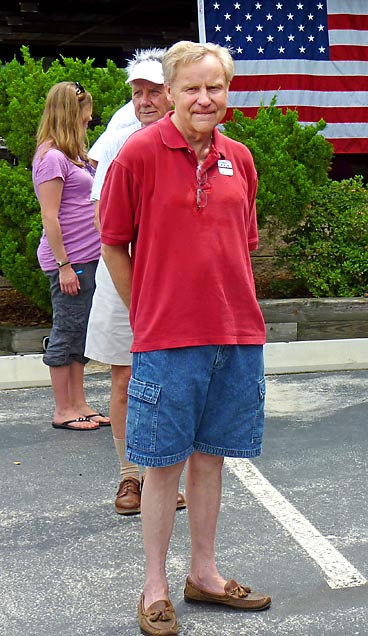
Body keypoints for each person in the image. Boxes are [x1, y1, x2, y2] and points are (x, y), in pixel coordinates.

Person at [100, 41, 271, 636]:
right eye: (192, 88)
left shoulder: (240, 158)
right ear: (169, 92)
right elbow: (113, 244)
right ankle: (153, 586)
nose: (204, 99)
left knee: (210, 460)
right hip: (167, 339)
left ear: (227, 94)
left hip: (236, 333)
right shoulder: (138, 155)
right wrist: (145, 311)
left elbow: (240, 246)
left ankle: (204, 574)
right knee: (161, 467)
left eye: (215, 88)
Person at [84, 48, 186, 517]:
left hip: (177, 280)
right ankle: (129, 478)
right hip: (122, 274)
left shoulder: (203, 141)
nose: (145, 100)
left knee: (174, 380)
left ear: (170, 91)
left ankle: (160, 478)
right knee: (125, 377)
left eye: (153, 91)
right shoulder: (117, 142)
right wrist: (135, 295)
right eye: (137, 92)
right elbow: (107, 224)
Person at [33, 81, 109, 431]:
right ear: (70, 112)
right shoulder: (51, 158)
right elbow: (50, 216)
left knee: (81, 332)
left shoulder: (73, 156)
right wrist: (64, 266)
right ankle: (63, 409)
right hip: (69, 261)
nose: (90, 117)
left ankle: (79, 403)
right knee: (67, 330)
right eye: (86, 111)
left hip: (87, 259)